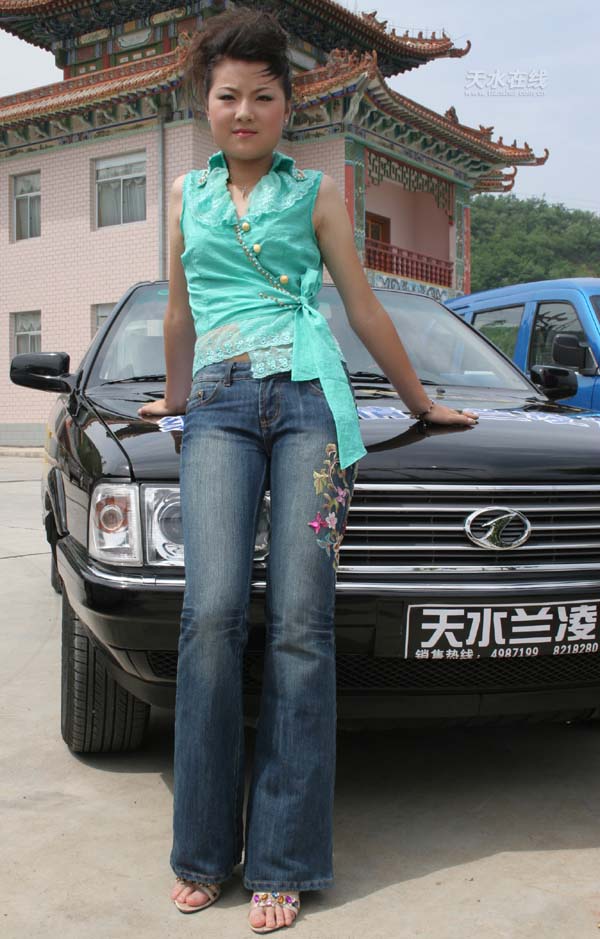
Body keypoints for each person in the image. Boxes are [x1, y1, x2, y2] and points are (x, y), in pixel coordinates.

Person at [137, 7, 478, 933]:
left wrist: (419, 401)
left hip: (308, 407)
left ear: (289, 105)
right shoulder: (185, 195)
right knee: (210, 615)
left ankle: (285, 858)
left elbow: (363, 308)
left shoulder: (317, 192)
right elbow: (180, 311)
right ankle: (203, 850)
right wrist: (174, 397)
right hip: (218, 406)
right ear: (205, 105)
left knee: (300, 624)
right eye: (228, 96)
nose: (244, 112)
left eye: (263, 96)